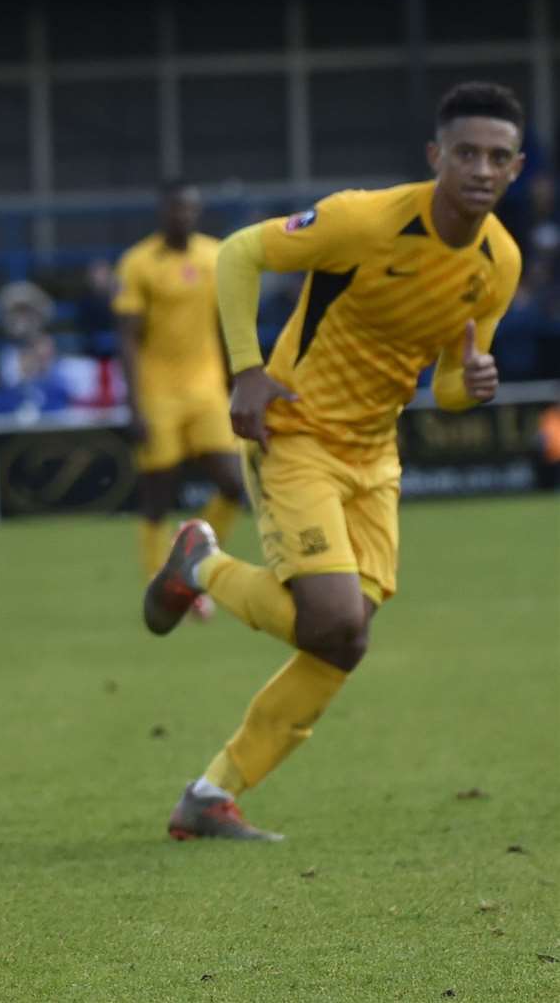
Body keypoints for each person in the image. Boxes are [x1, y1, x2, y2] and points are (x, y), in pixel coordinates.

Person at [143, 83, 524, 841]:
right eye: (467, 153)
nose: (482, 168)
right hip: (297, 434)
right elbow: (243, 253)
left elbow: (447, 383)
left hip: (374, 455)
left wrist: (470, 385)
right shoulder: (365, 220)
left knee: (343, 641)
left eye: (498, 157)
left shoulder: (498, 264)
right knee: (334, 621)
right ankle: (201, 565)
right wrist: (247, 368)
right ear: (435, 157)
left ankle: (209, 796)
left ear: (515, 169)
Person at [113, 180, 245, 590]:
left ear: (198, 211)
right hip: (158, 392)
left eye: (189, 209)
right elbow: (128, 338)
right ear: (163, 212)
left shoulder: (216, 254)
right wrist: (133, 405)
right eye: (175, 209)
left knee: (235, 485)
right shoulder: (138, 262)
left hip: (207, 389)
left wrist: (238, 381)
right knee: (158, 493)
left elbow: (229, 324)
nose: (182, 216)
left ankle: (191, 563)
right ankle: (159, 583)